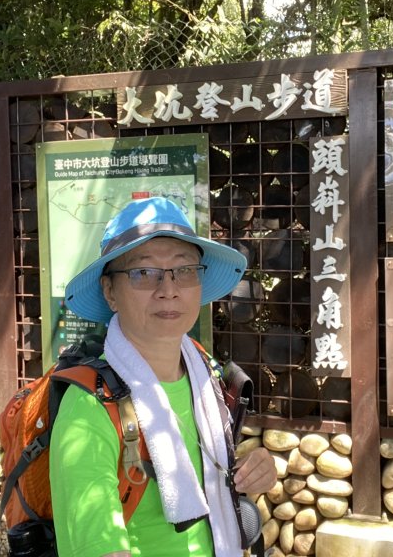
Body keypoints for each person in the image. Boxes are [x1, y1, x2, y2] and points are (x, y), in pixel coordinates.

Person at [53, 197, 276, 556]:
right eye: (143, 272)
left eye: (184, 269)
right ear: (110, 291)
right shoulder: (89, 409)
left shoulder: (206, 378)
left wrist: (256, 472)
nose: (168, 288)